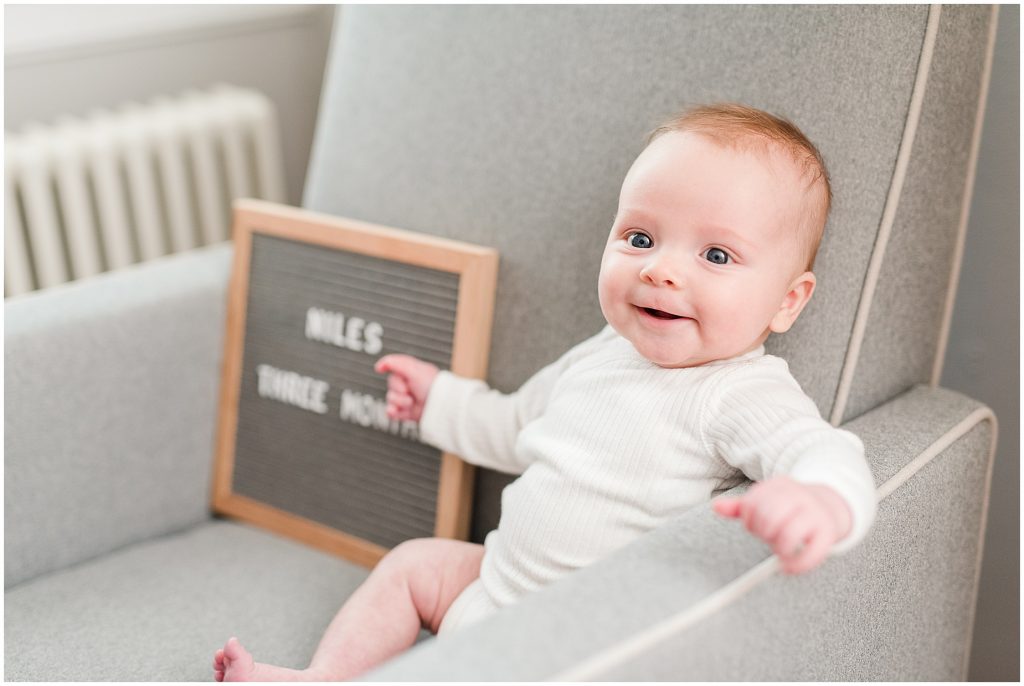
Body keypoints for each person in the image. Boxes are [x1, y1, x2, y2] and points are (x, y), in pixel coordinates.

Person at [214, 103, 877, 682]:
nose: (660, 269)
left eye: (717, 256)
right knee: (415, 565)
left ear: (788, 302)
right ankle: (325, 676)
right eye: (640, 238)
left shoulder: (736, 391)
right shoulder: (601, 353)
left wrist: (819, 500)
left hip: (568, 641)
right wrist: (440, 402)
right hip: (492, 588)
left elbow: (822, 450)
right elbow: (513, 425)